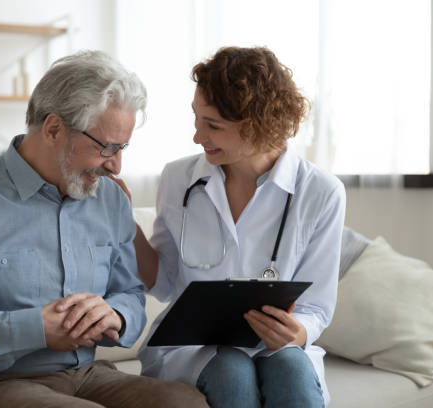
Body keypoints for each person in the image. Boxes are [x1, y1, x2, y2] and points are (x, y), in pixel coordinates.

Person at [0, 50, 208, 408]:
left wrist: (115, 315)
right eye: (106, 147)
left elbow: (131, 294)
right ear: (54, 128)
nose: (117, 166)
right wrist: (35, 329)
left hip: (86, 375)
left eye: (122, 148)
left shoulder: (110, 201)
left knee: (185, 403)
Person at [116, 46, 346, 407]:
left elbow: (315, 308)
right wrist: (124, 223)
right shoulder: (180, 179)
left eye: (213, 126)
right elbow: (163, 283)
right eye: (196, 118)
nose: (197, 136)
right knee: (232, 370)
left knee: (290, 368)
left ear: (258, 124)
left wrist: (297, 332)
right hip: (192, 348)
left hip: (275, 348)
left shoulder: (320, 192)